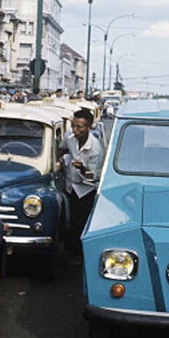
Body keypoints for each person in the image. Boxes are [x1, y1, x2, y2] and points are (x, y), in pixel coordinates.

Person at [58, 108, 104, 259]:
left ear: (89, 127)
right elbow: (62, 148)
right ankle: (68, 250)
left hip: (85, 190)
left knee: (80, 222)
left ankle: (78, 255)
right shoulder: (70, 136)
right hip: (70, 185)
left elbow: (93, 177)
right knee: (67, 220)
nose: (76, 130)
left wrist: (82, 168)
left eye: (80, 127)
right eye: (74, 126)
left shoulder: (95, 149)